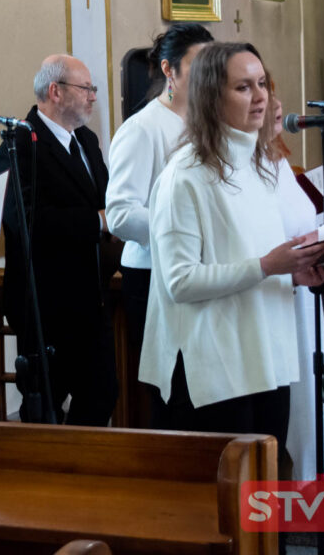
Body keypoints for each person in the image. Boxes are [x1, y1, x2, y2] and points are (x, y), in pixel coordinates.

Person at [139, 42, 324, 452]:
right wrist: (266, 265)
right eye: (243, 87)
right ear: (212, 96)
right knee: (222, 505)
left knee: (261, 497)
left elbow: (249, 256)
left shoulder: (258, 165)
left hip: (263, 359)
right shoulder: (186, 175)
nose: (261, 96)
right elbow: (180, 281)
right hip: (213, 370)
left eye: (262, 83)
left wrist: (292, 271)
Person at [0, 54, 116, 426]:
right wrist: (97, 223)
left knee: (101, 394)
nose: (94, 97)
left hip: (92, 298)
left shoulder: (87, 141)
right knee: (44, 408)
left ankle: (81, 478)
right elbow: (25, 220)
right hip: (45, 304)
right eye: (86, 88)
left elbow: (106, 199)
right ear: (55, 91)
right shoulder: (19, 143)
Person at [105, 23, 212, 428]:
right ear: (169, 70)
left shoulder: (208, 122)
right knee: (173, 389)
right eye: (198, 65)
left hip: (201, 272)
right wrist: (183, 233)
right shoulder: (142, 128)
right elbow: (119, 212)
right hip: (152, 275)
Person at [266, 90, 324, 480]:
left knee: (306, 395)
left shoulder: (279, 160)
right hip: (272, 295)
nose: (275, 103)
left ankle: (303, 490)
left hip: (300, 292)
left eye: (269, 88)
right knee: (282, 411)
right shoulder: (236, 168)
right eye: (249, 88)